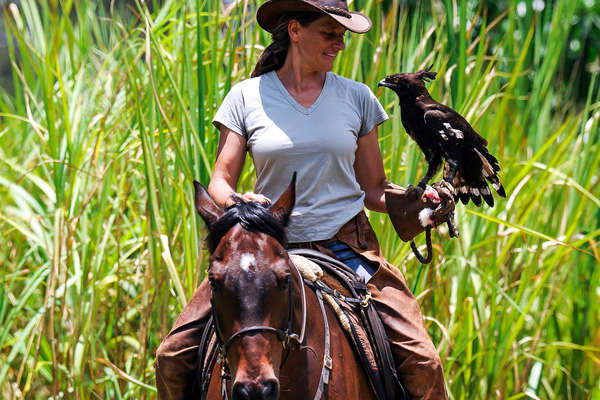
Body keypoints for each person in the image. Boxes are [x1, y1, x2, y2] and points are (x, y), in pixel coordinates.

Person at [155, 0, 455, 398]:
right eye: (329, 34)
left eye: (343, 36)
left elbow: (374, 188)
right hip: (265, 253)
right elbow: (219, 181)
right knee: (172, 356)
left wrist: (419, 202)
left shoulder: (358, 98)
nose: (339, 44)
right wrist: (237, 202)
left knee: (423, 362)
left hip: (347, 249)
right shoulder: (246, 97)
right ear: (295, 30)